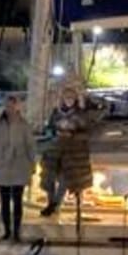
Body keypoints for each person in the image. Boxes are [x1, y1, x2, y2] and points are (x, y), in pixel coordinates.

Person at [0, 93, 36, 242]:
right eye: (7, 105)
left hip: (19, 165)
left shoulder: (24, 124)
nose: (10, 108)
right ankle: (7, 231)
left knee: (18, 201)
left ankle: (17, 232)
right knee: (5, 201)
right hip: (2, 166)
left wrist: (32, 163)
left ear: (17, 106)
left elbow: (30, 145)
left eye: (12, 105)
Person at [41, 85, 95, 216]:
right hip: (55, 150)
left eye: (71, 97)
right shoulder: (56, 113)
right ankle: (50, 202)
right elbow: (48, 129)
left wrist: (73, 135)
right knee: (49, 177)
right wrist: (55, 133)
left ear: (75, 99)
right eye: (66, 97)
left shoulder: (80, 114)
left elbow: (87, 133)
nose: (68, 99)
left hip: (72, 152)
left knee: (65, 179)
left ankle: (55, 204)